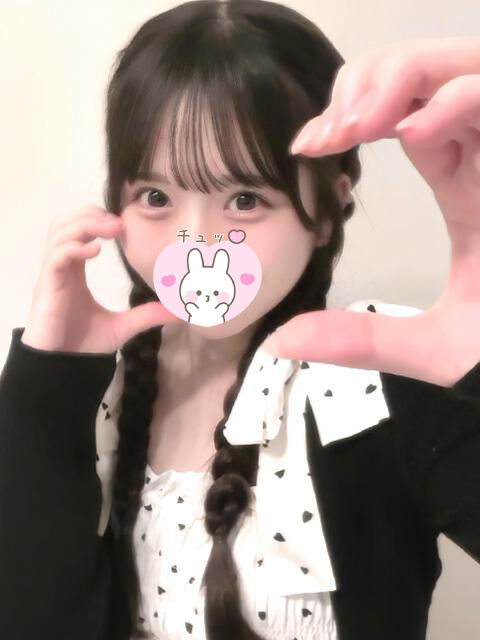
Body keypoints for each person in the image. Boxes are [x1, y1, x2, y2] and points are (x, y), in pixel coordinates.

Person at [0, 2, 479, 639]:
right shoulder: (98, 396)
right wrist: (47, 387)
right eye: (156, 197)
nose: (197, 243)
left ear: (328, 207)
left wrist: (474, 375)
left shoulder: (374, 386)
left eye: (245, 199)